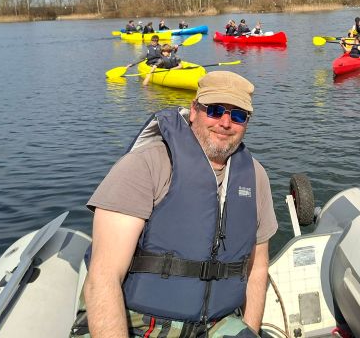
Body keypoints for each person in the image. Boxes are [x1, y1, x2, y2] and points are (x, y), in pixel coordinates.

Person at [83, 71, 277, 337]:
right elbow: (103, 277)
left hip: (220, 322)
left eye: (238, 116)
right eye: (215, 110)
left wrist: (249, 331)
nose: (225, 123)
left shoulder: (255, 176)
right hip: (142, 322)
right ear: (194, 110)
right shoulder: (145, 165)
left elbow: (257, 268)